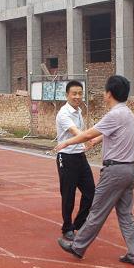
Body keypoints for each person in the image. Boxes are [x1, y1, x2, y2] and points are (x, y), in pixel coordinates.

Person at [54, 75, 134, 265]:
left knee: (97, 210)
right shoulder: (128, 113)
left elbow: (87, 134)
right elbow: (103, 135)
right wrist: (95, 140)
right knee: (125, 214)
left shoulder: (114, 114)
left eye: (104, 91)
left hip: (115, 171)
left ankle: (77, 246)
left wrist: (65, 142)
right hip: (130, 170)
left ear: (109, 94)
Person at [55, 80, 96, 241]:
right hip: (66, 157)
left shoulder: (78, 110)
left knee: (91, 192)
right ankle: (67, 227)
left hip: (80, 156)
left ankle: (79, 223)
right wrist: (86, 138)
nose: (77, 96)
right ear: (67, 95)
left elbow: (81, 131)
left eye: (80, 93)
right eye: (74, 93)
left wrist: (87, 140)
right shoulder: (63, 113)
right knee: (68, 195)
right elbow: (75, 131)